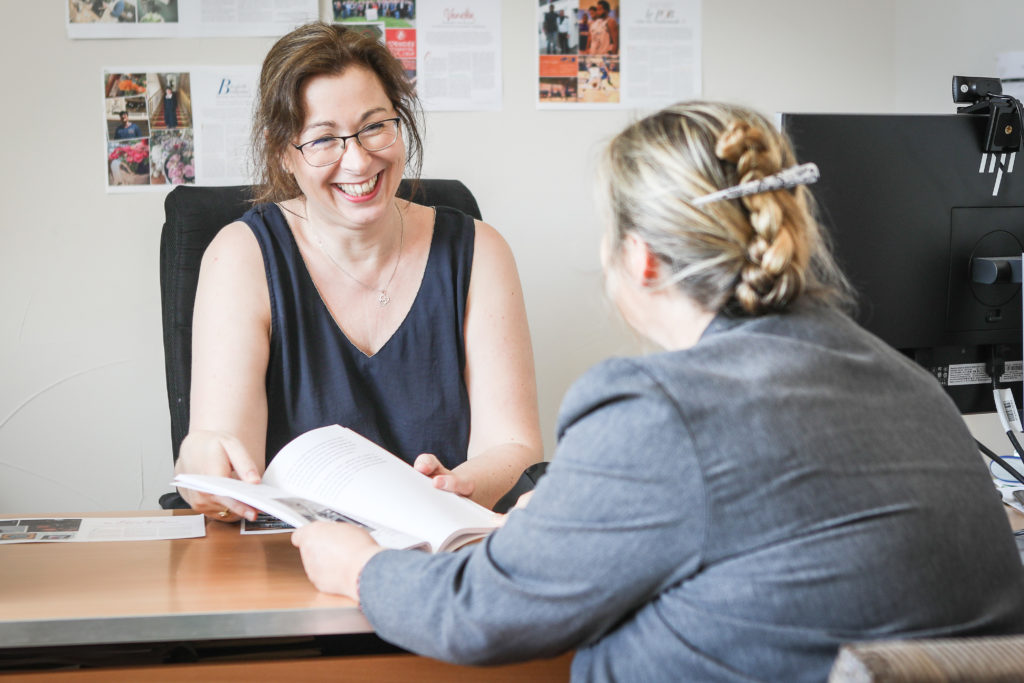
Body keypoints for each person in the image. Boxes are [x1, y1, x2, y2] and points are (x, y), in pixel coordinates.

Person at [291, 100, 1024, 681]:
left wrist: (361, 566)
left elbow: (481, 614)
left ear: (639, 259)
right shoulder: (907, 381)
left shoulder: (657, 405)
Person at [174, 22, 542, 522]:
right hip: (296, 552)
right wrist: (207, 466)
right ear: (285, 151)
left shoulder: (479, 250)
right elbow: (227, 451)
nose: (358, 160)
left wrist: (461, 484)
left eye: (374, 127)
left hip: (442, 542)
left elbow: (514, 443)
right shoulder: (242, 256)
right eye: (324, 139)